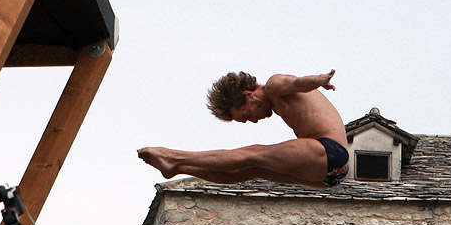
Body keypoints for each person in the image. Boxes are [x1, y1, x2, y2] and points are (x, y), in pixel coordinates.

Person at [137, 70, 349, 187]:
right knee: (249, 170)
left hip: (330, 151)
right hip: (329, 176)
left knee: (252, 154)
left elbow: (298, 83)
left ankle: (173, 157)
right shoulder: (280, 104)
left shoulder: (274, 85)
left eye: (247, 116)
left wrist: (319, 80)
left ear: (249, 96)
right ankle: (178, 168)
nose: (254, 121)